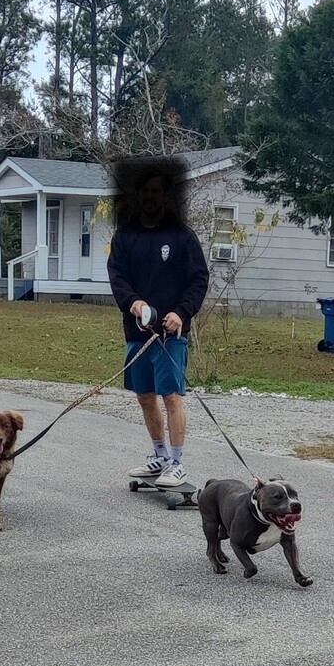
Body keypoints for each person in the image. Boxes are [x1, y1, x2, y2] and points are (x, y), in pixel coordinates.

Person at [107, 156, 209, 487]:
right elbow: (117, 276)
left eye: (156, 191)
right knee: (145, 395)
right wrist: (133, 302)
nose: (150, 196)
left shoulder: (182, 236)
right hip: (138, 332)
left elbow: (198, 279)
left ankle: (178, 462)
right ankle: (160, 455)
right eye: (145, 191)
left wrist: (181, 312)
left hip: (170, 334)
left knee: (171, 396)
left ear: (164, 196)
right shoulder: (125, 235)